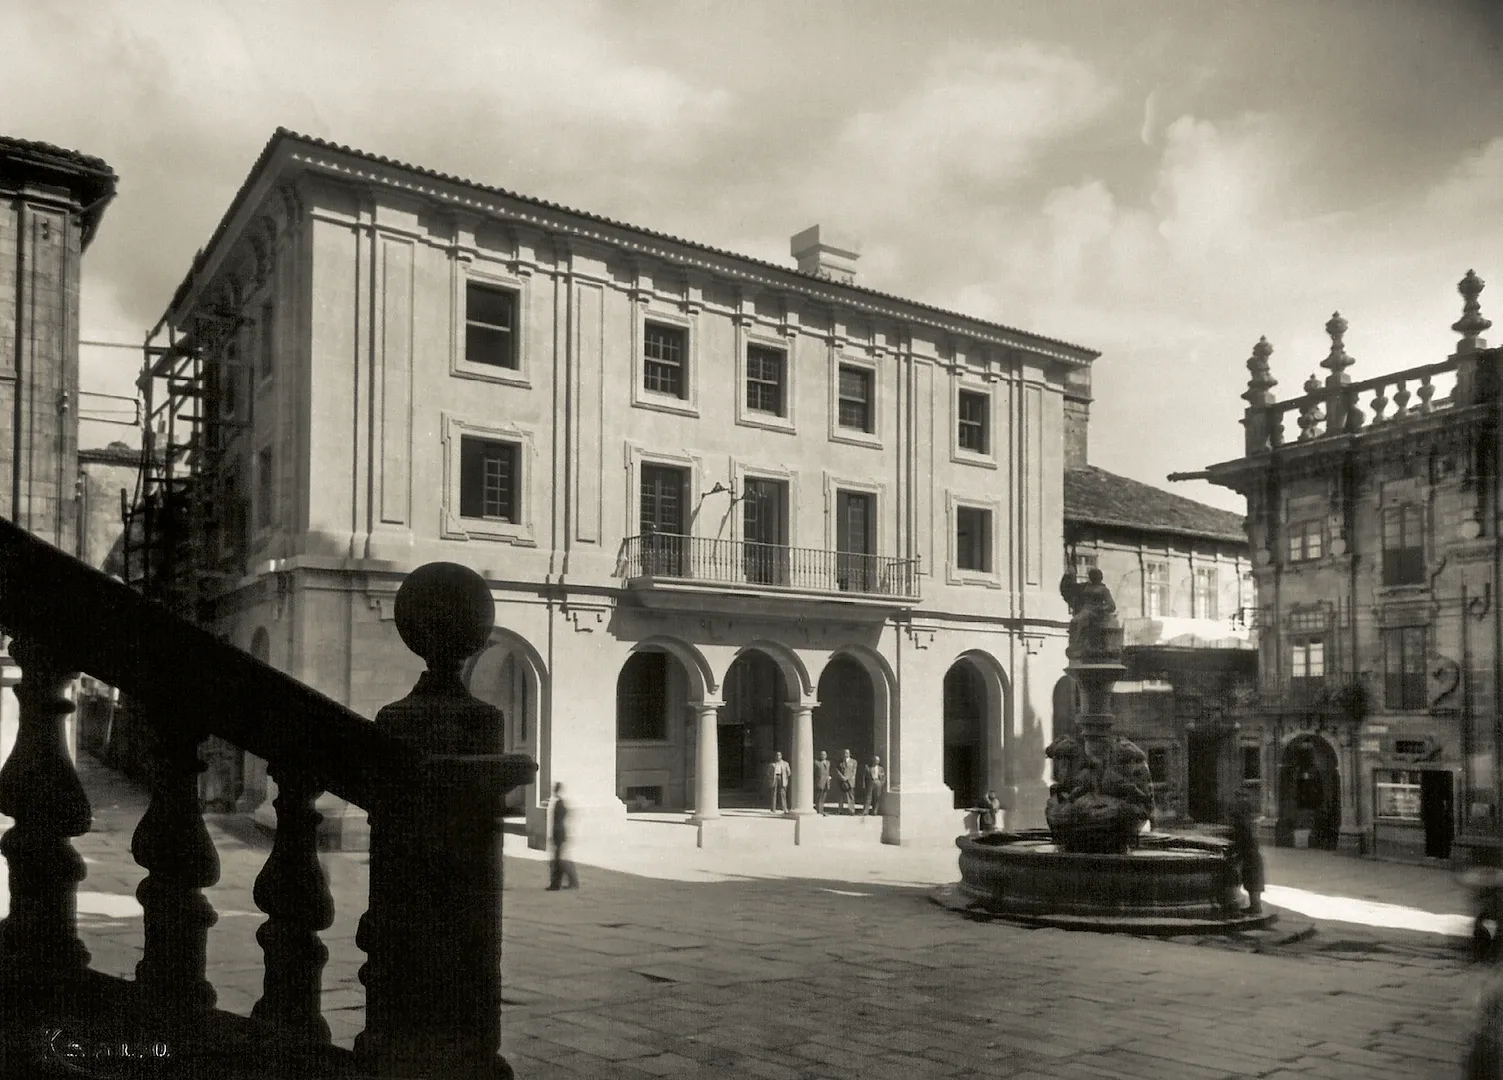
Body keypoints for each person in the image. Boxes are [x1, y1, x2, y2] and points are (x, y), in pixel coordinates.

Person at [1226, 793, 1265, 915]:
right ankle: (1255, 906)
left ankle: (1255, 907)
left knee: (1252, 883)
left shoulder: (1241, 827)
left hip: (1250, 858)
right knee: (1253, 883)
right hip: (1254, 857)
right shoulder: (1248, 825)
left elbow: (1241, 844)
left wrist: (1233, 856)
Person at [547, 782, 578, 891]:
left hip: (558, 834)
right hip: (560, 834)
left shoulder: (558, 803)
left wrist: (554, 836)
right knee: (559, 860)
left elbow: (557, 821)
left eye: (555, 789)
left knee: (558, 861)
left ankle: (557, 884)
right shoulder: (561, 803)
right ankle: (569, 882)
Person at [836, 749, 859, 815]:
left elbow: (854, 772)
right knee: (841, 796)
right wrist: (842, 777)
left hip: (850, 781)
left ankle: (851, 811)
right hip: (842, 781)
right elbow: (837, 771)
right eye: (844, 753)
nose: (845, 754)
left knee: (851, 796)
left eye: (847, 753)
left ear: (849, 754)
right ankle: (840, 810)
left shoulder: (854, 762)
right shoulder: (840, 762)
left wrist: (847, 778)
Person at [813, 751, 832, 816]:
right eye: (822, 754)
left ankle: (822, 810)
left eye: (824, 754)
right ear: (820, 755)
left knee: (823, 797)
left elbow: (828, 772)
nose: (823, 756)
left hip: (826, 782)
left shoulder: (828, 762)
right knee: (818, 797)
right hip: (819, 782)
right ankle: (819, 811)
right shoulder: (816, 762)